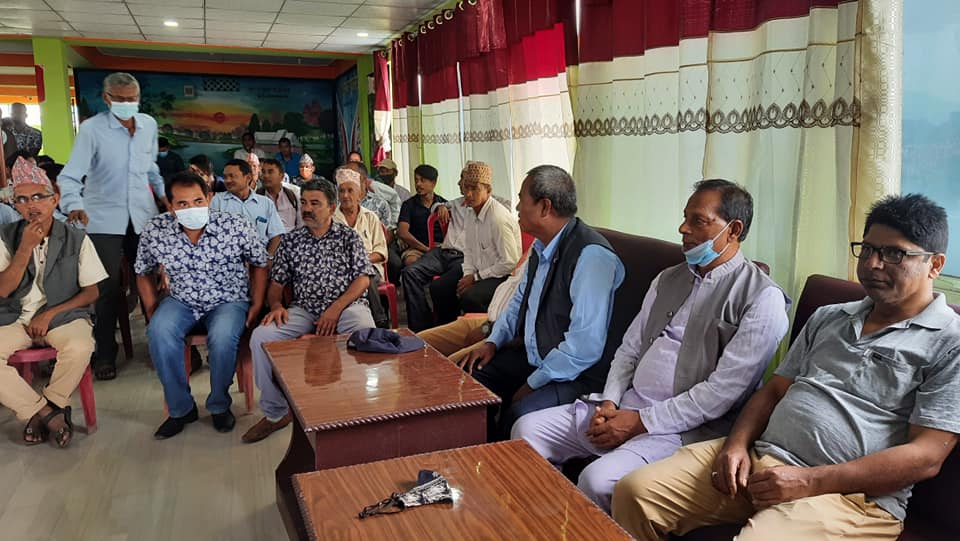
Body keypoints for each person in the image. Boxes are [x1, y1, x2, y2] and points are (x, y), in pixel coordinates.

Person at [610, 194, 960, 541]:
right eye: (867, 249)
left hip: (851, 498)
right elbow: (775, 390)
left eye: (894, 254)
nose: (872, 264)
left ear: (935, 264)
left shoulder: (950, 343)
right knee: (634, 492)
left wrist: (808, 481)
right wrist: (735, 445)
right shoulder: (830, 317)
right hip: (761, 459)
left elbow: (926, 456)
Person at [513, 179, 791, 511]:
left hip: (683, 429)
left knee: (597, 480)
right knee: (526, 430)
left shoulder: (762, 299)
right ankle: (546, 519)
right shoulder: (668, 278)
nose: (683, 228)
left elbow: (720, 394)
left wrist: (639, 422)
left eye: (698, 221)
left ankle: (579, 526)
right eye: (685, 218)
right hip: (625, 406)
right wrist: (610, 402)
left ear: (733, 229)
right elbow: (629, 350)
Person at [459, 165, 625, 439]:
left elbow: (584, 347)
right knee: (469, 377)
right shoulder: (541, 246)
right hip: (537, 357)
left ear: (545, 207)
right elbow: (518, 302)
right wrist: (493, 341)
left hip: (576, 374)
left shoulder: (591, 256)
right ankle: (479, 454)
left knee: (519, 413)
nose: (516, 207)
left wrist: (532, 383)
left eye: (521, 199)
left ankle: (500, 460)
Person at [242, 179, 377, 443]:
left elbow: (363, 279)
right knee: (260, 337)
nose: (307, 209)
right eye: (304, 202)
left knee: (364, 333)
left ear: (332, 208)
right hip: (304, 309)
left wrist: (335, 309)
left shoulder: (348, 237)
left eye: (315, 203)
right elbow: (276, 284)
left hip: (346, 306)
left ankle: (357, 404)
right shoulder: (291, 241)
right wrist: (276, 305)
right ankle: (276, 412)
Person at [136, 171, 267, 439]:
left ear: (209, 198)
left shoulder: (234, 226)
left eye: (198, 201)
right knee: (159, 331)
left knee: (222, 337)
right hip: (181, 300)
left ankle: (219, 404)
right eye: (182, 204)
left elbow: (260, 263)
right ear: (170, 206)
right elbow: (142, 270)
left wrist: (257, 302)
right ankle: (181, 409)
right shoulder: (155, 230)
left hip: (228, 300)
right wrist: (151, 310)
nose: (192, 208)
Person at [58, 71, 167, 381]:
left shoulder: (148, 125)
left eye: (133, 99)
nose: (127, 104)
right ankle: (105, 351)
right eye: (120, 99)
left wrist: (164, 197)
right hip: (103, 219)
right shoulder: (92, 129)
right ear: (107, 99)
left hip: (143, 217)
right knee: (105, 288)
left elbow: (151, 169)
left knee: (153, 281)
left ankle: (160, 345)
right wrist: (73, 204)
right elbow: (70, 175)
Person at [0, 158, 107, 448]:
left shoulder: (76, 238)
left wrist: (50, 314)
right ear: (15, 205)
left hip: (63, 316)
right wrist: (24, 249)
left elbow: (91, 292)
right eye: (21, 199)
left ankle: (49, 405)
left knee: (80, 346)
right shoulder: (6, 237)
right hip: (15, 317)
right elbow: (3, 290)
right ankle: (47, 412)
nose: (31, 205)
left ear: (54, 199)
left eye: (38, 196)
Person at [419, 252, 528, 365]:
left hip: (506, 332)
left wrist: (487, 329)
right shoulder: (535, 250)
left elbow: (522, 319)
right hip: (490, 321)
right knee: (419, 343)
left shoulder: (540, 264)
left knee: (452, 365)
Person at [401, 167, 472, 332]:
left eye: (462, 180)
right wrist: (440, 207)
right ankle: (421, 327)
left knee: (441, 286)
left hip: (463, 257)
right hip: (442, 252)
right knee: (410, 272)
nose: (458, 183)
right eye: (416, 180)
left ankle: (444, 326)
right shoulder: (455, 203)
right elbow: (436, 207)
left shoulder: (486, 210)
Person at [455, 161, 521, 314]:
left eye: (474, 189)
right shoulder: (470, 212)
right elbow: (469, 250)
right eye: (466, 188)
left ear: (488, 190)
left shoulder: (498, 218)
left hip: (502, 276)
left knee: (470, 298)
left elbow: (510, 263)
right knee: (440, 288)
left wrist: (475, 278)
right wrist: (468, 275)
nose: (468, 194)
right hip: (479, 272)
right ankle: (452, 327)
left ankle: (490, 326)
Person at [333, 167, 390, 328]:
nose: (345, 195)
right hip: (341, 270)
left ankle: (379, 321)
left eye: (350, 190)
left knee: (365, 274)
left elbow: (381, 252)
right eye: (341, 191)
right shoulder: (331, 219)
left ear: (359, 194)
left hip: (370, 266)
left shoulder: (370, 217)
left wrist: (360, 261)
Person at [210, 159, 284, 255]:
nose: (227, 180)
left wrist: (269, 258)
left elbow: (276, 235)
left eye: (232, 176)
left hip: (259, 258)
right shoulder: (217, 201)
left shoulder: (266, 204)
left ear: (248, 178)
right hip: (228, 259)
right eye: (225, 177)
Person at [397, 164, 445, 266]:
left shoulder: (444, 204)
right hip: (417, 249)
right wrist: (426, 249)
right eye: (416, 180)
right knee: (411, 261)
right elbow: (402, 232)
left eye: (423, 180)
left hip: (440, 247)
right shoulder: (408, 205)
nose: (418, 184)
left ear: (433, 183)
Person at [258, 158, 301, 233]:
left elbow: (301, 224)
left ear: (282, 176)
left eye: (270, 172)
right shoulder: (257, 196)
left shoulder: (294, 194)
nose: (265, 176)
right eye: (263, 172)